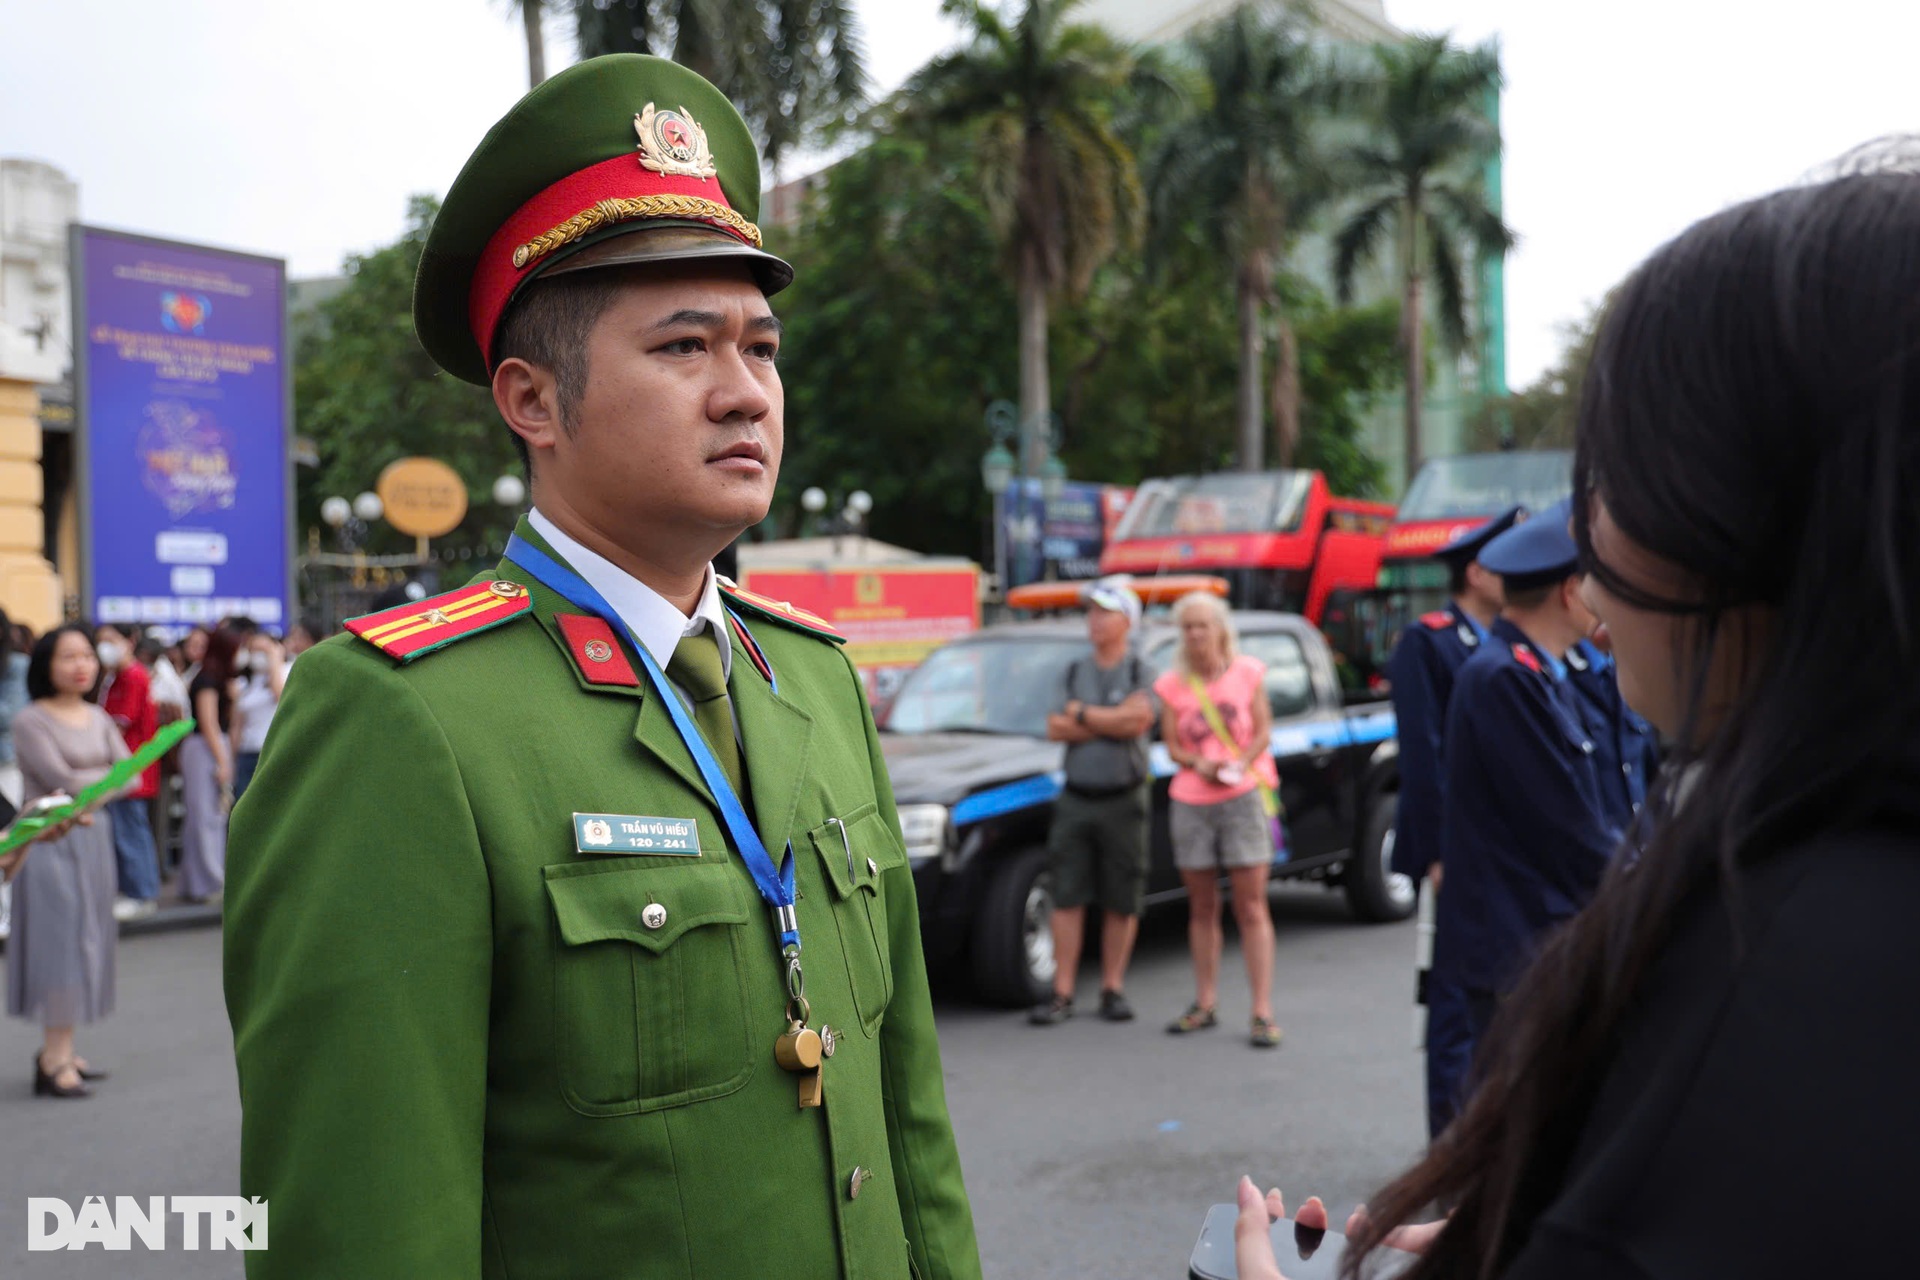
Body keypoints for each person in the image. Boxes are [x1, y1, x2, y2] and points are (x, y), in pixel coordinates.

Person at [225, 55, 981, 1278]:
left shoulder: (815, 681)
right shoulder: (402, 719)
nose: (746, 394)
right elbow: (361, 1232)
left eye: (762, 346)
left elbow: (911, 1132)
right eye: (685, 346)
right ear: (532, 399)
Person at [1235, 174, 1920, 1280]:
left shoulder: (1764, 976)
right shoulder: (1826, 885)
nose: (1596, 551)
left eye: (1617, 477)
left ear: (1738, 517)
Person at [1431, 499, 1620, 1056]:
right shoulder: (1506, 679)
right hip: (1517, 947)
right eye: (1595, 585)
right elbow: (1567, 824)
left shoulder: (1538, 672)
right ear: (1569, 592)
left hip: (1533, 940)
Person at [1383, 506, 1518, 1139]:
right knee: (1456, 1005)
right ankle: (1449, 1144)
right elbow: (1423, 754)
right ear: (1475, 572)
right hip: (1458, 850)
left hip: (1507, 849)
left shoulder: (1511, 644)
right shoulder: (1429, 641)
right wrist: (1437, 850)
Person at [4, 625, 129, 1099]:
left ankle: (62, 1051)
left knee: (88, 942)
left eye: (87, 656)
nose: (81, 665)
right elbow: (64, 781)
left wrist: (98, 780)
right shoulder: (30, 720)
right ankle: (54, 1058)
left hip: (93, 841)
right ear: (45, 665)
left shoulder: (97, 716)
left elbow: (130, 776)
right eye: (68, 657)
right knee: (59, 948)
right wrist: (105, 778)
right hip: (47, 843)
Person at [1155, 591, 1283, 1048]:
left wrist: (1240, 760)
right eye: (1186, 627)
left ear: (1220, 630)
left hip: (1242, 796)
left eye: (1201, 625)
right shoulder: (1173, 683)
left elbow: (1264, 728)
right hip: (1192, 800)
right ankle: (1204, 1001)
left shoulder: (1248, 672)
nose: (1193, 634)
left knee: (1251, 906)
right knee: (1202, 907)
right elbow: (1172, 745)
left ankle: (1262, 1010)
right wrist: (1198, 763)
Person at [1030, 577, 1156, 1025]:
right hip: (1077, 796)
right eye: (1092, 611)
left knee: (1123, 892)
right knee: (1068, 893)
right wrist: (1111, 720)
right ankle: (1062, 994)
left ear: (1127, 620)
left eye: (1105, 612)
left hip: (1125, 796)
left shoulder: (1141, 669)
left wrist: (1082, 714)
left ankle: (1112, 987)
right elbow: (1054, 727)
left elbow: (1138, 720)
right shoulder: (1072, 671)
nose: (1094, 620)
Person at [1564, 622, 1661, 829]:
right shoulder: (1559, 674)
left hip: (1644, 849)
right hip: (1601, 852)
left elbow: (1652, 780)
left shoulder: (1630, 667)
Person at [95, 623, 161, 920]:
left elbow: (122, 720)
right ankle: (135, 891)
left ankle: (142, 894)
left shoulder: (133, 676)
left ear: (129, 641)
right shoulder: (116, 676)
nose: (104, 646)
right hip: (122, 768)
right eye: (101, 641)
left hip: (131, 768)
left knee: (131, 832)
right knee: (126, 831)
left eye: (111, 640)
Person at [178, 625, 237, 904]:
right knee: (205, 818)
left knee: (209, 818)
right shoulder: (208, 678)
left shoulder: (213, 676)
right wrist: (224, 761)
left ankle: (201, 882)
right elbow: (209, 723)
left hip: (208, 747)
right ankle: (210, 883)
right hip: (205, 748)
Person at [230, 629, 288, 801]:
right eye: (253, 650)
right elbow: (237, 724)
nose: (257, 655)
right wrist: (232, 759)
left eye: (262, 650)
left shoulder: (286, 672)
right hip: (246, 754)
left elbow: (279, 695)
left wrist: (275, 657)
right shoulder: (245, 682)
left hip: (271, 753)